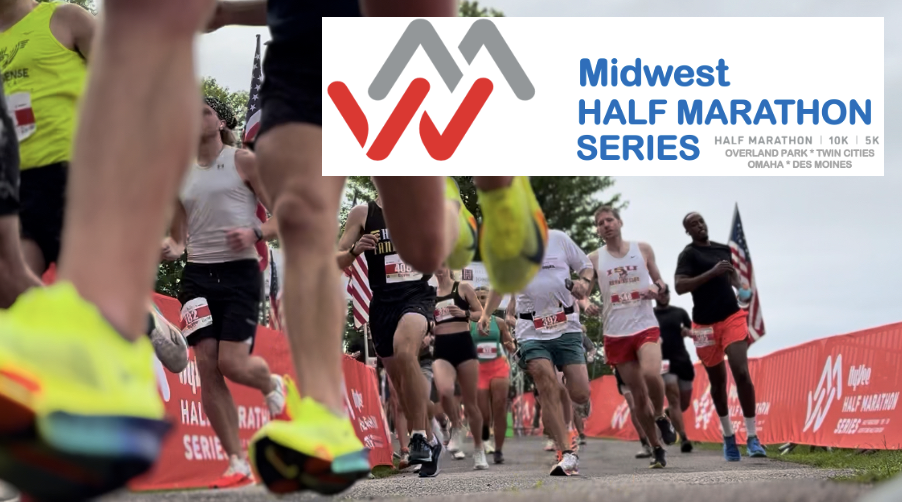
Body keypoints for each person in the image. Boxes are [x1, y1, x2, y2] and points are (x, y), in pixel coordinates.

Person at [161, 96, 286, 488]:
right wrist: (171, 248)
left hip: (241, 273)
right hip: (197, 276)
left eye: (206, 111)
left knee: (233, 363)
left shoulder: (243, 161)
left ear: (220, 122)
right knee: (207, 364)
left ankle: (269, 383)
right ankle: (236, 460)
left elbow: (283, 214)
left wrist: (256, 231)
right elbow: (180, 237)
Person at [479, 229, 594, 477]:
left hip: (567, 326)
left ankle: (581, 400)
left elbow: (585, 266)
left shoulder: (559, 239)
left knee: (580, 391)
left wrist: (584, 283)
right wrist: (487, 314)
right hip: (531, 329)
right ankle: (567, 453)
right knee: (546, 383)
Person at [0, 0, 94, 280]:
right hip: (16, 187)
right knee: (8, 289)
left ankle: (149, 323)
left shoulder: (65, 18)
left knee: (88, 297)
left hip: (77, 177)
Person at [587, 205, 677, 469]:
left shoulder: (643, 249)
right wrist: (584, 304)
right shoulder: (593, 259)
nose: (606, 225)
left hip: (645, 325)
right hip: (616, 333)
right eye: (601, 222)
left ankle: (661, 417)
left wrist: (656, 288)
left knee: (652, 374)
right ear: (598, 229)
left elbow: (663, 286)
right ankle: (656, 447)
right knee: (637, 396)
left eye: (610, 220)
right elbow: (583, 291)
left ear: (620, 221)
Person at [675, 212, 767, 461]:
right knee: (717, 383)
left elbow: (731, 274)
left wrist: (741, 287)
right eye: (693, 224)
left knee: (741, 372)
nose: (699, 225)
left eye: (701, 221)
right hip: (704, 325)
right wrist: (711, 273)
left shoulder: (722, 249)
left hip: (731, 316)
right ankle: (728, 436)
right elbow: (680, 286)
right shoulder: (689, 254)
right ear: (688, 231)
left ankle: (752, 437)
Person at [431, 265, 487, 469]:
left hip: (463, 344)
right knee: (444, 392)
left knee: (471, 403)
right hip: (441, 346)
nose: (440, 269)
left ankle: (479, 450)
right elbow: (428, 322)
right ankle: (456, 426)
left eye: (443, 264)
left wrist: (463, 312)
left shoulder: (462, 287)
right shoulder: (431, 294)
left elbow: (479, 313)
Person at [472, 286, 514, 464]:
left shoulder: (500, 322)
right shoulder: (468, 323)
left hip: (498, 366)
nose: (482, 301)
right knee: (483, 412)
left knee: (499, 407)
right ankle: (483, 435)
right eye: (479, 298)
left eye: (485, 298)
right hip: (478, 369)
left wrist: (511, 345)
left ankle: (498, 450)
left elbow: (508, 341)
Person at [653, 287, 696, 453]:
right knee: (674, 398)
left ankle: (666, 415)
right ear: (655, 296)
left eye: (666, 293)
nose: (663, 296)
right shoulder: (650, 315)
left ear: (669, 295)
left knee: (683, 404)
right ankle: (684, 438)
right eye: (660, 293)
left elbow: (691, 329)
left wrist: (687, 332)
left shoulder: (680, 312)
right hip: (663, 362)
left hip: (682, 360)